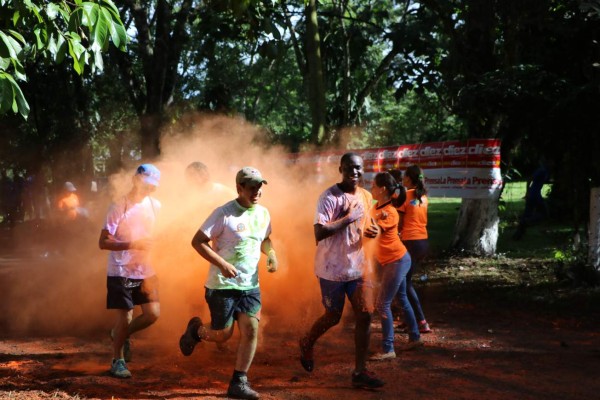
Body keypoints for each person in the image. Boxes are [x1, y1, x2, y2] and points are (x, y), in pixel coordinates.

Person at [178, 166, 278, 400]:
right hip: (222, 285)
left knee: (251, 329)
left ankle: (239, 381)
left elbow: (265, 239)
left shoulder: (263, 213)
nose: (257, 192)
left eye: (259, 187)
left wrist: (271, 253)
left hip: (250, 284)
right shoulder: (224, 213)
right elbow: (198, 241)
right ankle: (196, 331)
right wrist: (223, 264)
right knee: (223, 335)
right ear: (239, 188)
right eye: (251, 187)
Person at [298, 152, 384, 389]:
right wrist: (347, 218)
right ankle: (307, 341)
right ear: (340, 170)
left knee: (365, 315)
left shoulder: (366, 196)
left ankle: (359, 372)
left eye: (357, 168)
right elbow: (319, 233)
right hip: (332, 269)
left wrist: (374, 231)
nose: (354, 173)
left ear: (362, 169)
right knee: (333, 316)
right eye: (348, 168)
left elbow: (370, 224)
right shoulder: (328, 197)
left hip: (358, 268)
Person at [98, 164, 162, 379]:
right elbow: (103, 242)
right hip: (121, 269)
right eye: (146, 184)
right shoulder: (119, 205)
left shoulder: (156, 206)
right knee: (126, 316)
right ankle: (118, 360)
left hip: (146, 269)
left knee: (152, 315)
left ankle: (119, 334)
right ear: (136, 180)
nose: (149, 189)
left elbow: (158, 234)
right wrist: (133, 244)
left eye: (153, 186)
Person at [367, 172, 423, 361]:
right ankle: (415, 337)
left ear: (382, 189)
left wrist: (369, 226)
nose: (371, 188)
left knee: (382, 304)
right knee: (401, 297)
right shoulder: (376, 207)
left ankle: (388, 348)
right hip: (394, 260)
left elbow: (374, 230)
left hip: (397, 261)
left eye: (373, 185)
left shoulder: (390, 212)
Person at [397, 165, 431, 334]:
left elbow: (400, 222)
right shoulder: (423, 197)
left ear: (409, 178)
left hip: (410, 242)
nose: (402, 179)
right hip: (422, 242)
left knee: (405, 283)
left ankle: (421, 321)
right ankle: (407, 319)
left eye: (404, 176)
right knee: (405, 281)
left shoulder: (406, 195)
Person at [513, 160, 551, 240]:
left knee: (528, 213)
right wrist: (527, 192)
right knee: (544, 213)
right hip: (535, 194)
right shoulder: (542, 170)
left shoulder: (544, 170)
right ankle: (527, 222)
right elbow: (530, 179)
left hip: (535, 194)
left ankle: (519, 233)